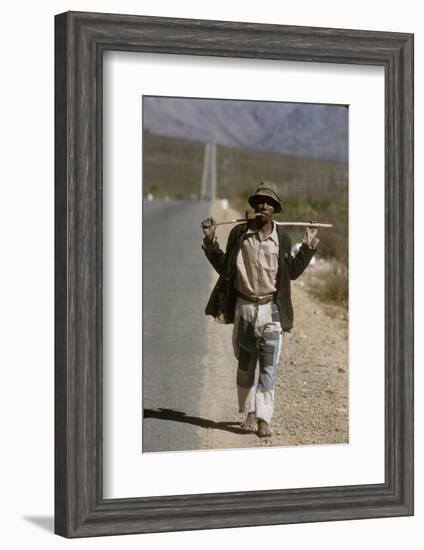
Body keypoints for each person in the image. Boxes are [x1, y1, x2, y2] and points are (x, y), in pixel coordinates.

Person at [201, 182, 319, 438]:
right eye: (259, 202)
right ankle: (250, 413)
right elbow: (225, 268)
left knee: (268, 367)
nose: (263, 206)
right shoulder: (239, 234)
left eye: (268, 203)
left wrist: (308, 245)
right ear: (253, 206)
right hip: (245, 308)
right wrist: (211, 243)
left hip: (271, 310)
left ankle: (264, 417)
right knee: (245, 365)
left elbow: (294, 272)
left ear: (275, 209)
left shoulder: (283, 238)